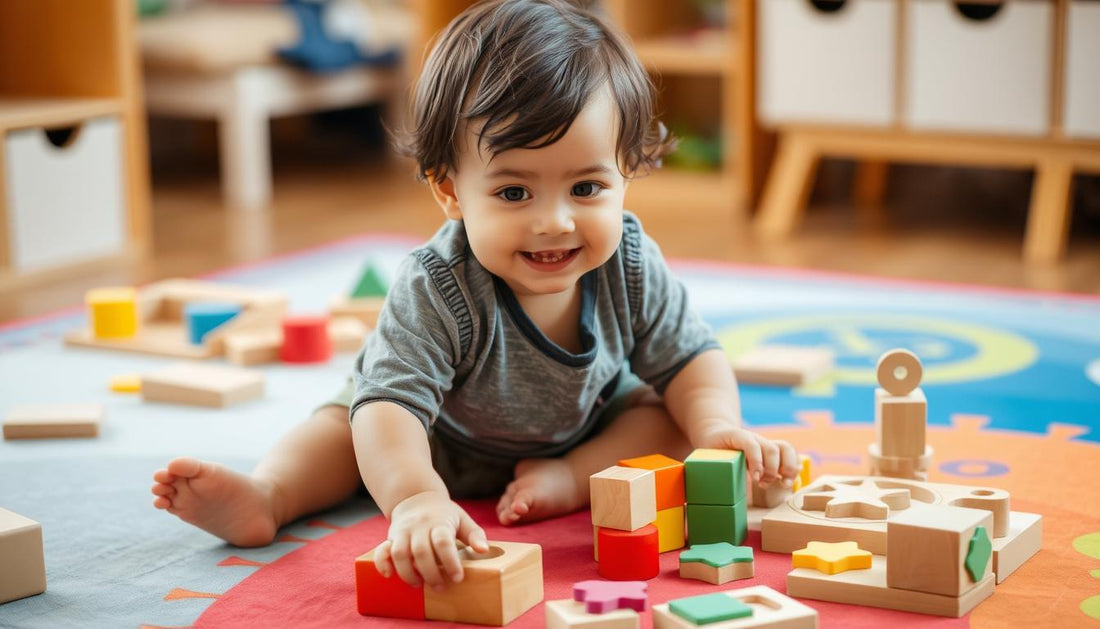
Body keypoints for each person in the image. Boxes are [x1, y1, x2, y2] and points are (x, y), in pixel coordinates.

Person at [151, 0, 800, 594]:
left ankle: (569, 478)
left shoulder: (629, 262)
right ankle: (268, 495)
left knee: (671, 417)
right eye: (515, 193)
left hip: (581, 427)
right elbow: (392, 409)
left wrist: (718, 424)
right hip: (428, 434)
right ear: (450, 191)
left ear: (626, 171)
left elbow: (691, 355)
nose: (555, 221)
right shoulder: (438, 283)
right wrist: (414, 499)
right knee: (345, 428)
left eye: (587, 188)